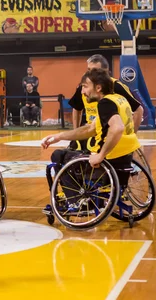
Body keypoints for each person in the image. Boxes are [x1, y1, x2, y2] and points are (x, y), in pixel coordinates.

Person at [42, 68, 140, 209]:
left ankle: (76, 201)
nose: (82, 92)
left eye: (85, 87)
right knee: (73, 152)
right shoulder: (119, 99)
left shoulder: (105, 103)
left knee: (58, 156)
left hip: (106, 165)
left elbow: (117, 128)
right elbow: (90, 129)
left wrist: (101, 155)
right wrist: (59, 136)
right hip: (123, 161)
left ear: (98, 87)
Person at [69, 55, 143, 149]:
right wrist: (76, 132)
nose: (90, 73)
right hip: (90, 131)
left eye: (95, 70)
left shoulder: (117, 87)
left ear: (105, 72)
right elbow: (76, 108)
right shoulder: (84, 87)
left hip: (107, 135)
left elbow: (138, 110)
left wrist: (131, 136)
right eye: (89, 70)